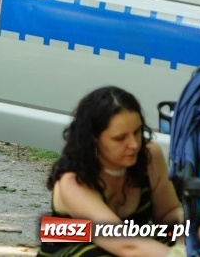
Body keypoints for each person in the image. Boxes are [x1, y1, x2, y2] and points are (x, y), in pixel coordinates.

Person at [38, 86, 184, 257]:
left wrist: (188, 227)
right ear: (94, 139)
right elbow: (125, 245)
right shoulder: (73, 180)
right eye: (120, 138)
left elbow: (168, 213)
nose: (134, 144)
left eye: (137, 132)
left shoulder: (149, 155)